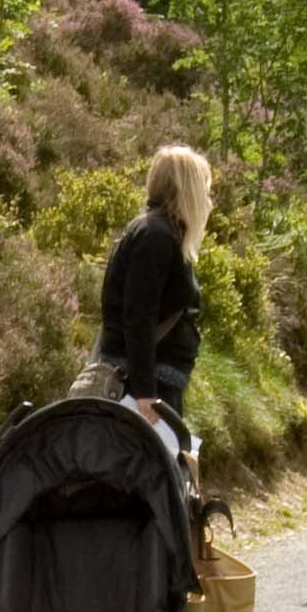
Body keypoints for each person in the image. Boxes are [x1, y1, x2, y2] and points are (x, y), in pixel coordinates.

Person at [93, 145, 216, 465]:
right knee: (147, 477)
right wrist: (147, 395)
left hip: (150, 380)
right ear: (187, 189)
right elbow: (139, 317)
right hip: (144, 386)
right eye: (204, 188)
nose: (208, 199)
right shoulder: (156, 237)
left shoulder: (160, 233)